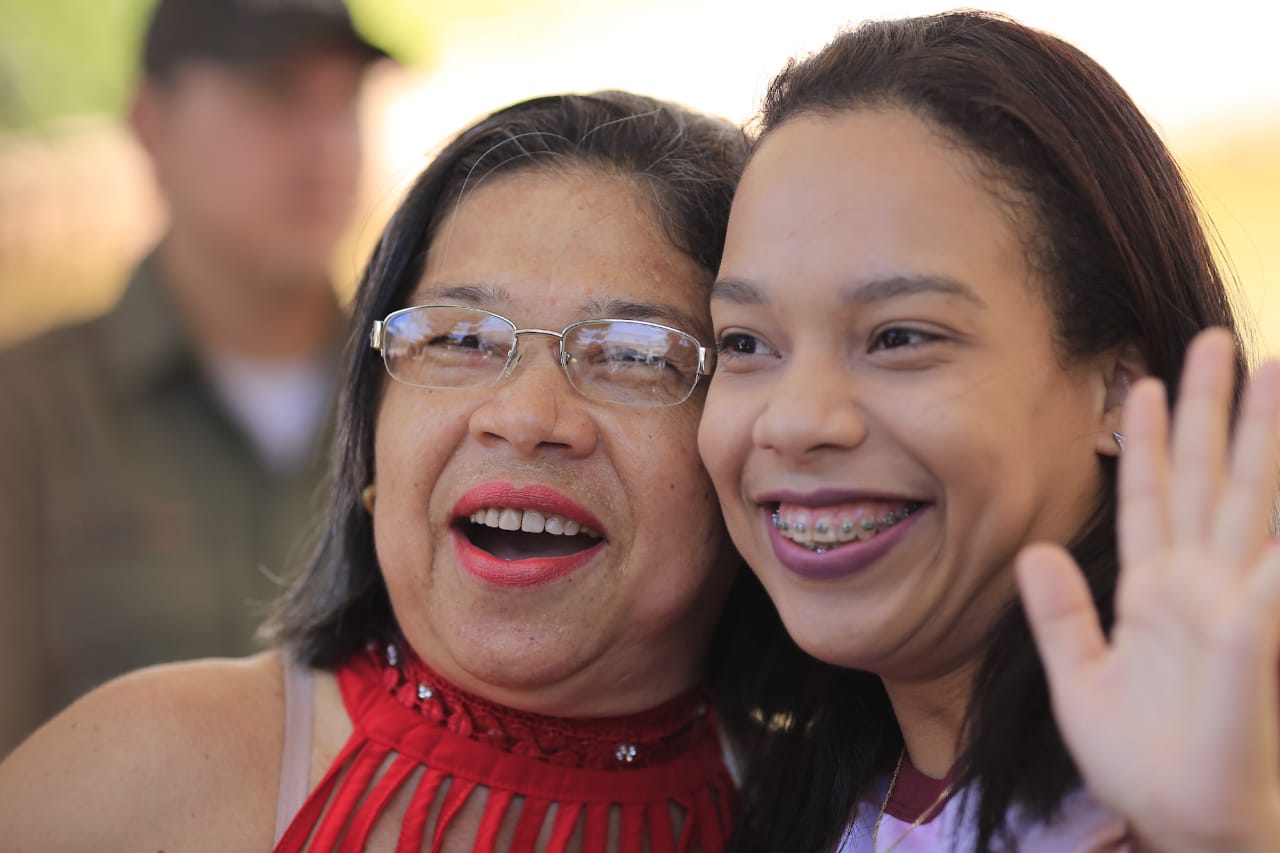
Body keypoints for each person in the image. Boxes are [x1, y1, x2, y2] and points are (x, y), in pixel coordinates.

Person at [0, 90, 752, 851]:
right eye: (460, 340)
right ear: (371, 441)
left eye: (630, 354)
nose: (523, 416)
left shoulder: (840, 818)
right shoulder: (141, 773)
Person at [700, 10, 1280, 852]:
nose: (794, 420)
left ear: (1122, 387)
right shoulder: (788, 794)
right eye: (746, 343)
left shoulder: (1225, 776)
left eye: (899, 337)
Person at [0, 0, 385, 753]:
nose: (324, 147)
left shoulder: (415, 399)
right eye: (276, 94)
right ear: (152, 122)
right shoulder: (27, 415)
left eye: (344, 103)